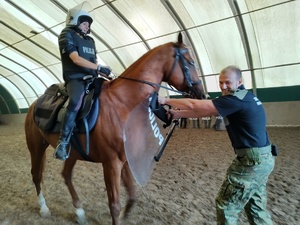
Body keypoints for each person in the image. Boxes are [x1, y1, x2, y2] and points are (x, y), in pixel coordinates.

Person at [158, 65, 275, 225]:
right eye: (220, 82)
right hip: (263, 159)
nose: (223, 86)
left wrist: (165, 100)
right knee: (256, 207)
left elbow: (195, 106)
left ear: (239, 81)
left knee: (226, 205)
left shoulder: (234, 100)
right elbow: (206, 111)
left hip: (251, 162)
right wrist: (178, 113)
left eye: (227, 82)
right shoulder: (243, 95)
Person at [53, 4, 112, 161]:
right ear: (74, 20)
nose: (87, 26)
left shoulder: (90, 40)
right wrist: (99, 67)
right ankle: (63, 143)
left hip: (91, 77)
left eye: (88, 24)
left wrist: (104, 72)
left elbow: (92, 61)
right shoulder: (67, 34)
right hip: (75, 78)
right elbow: (76, 59)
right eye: (84, 23)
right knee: (76, 101)